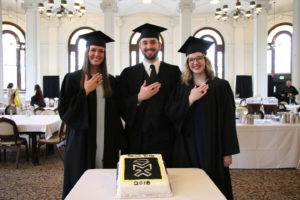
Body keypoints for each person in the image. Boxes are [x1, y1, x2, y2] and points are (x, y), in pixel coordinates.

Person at [166, 36, 240, 200]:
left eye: (199, 58)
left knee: (213, 187)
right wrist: (190, 99)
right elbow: (171, 114)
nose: (195, 62)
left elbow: (228, 121)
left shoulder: (221, 86)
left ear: (206, 60)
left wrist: (227, 152)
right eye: (191, 59)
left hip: (213, 147)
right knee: (189, 187)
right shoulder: (182, 87)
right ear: (187, 63)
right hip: (187, 147)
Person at [58, 31, 126, 199]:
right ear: (87, 52)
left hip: (106, 139)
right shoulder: (72, 79)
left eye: (101, 51)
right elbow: (65, 112)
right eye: (93, 50)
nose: (97, 54)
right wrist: (85, 91)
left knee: (105, 182)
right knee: (81, 181)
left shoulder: (111, 81)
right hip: (82, 139)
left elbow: (118, 111)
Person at [119, 23, 181, 167]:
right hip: (136, 137)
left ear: (159, 45)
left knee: (164, 176)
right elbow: (119, 104)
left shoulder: (173, 72)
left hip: (165, 137)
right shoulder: (128, 73)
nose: (149, 46)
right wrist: (138, 98)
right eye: (145, 43)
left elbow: (179, 103)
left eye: (153, 42)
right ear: (140, 46)